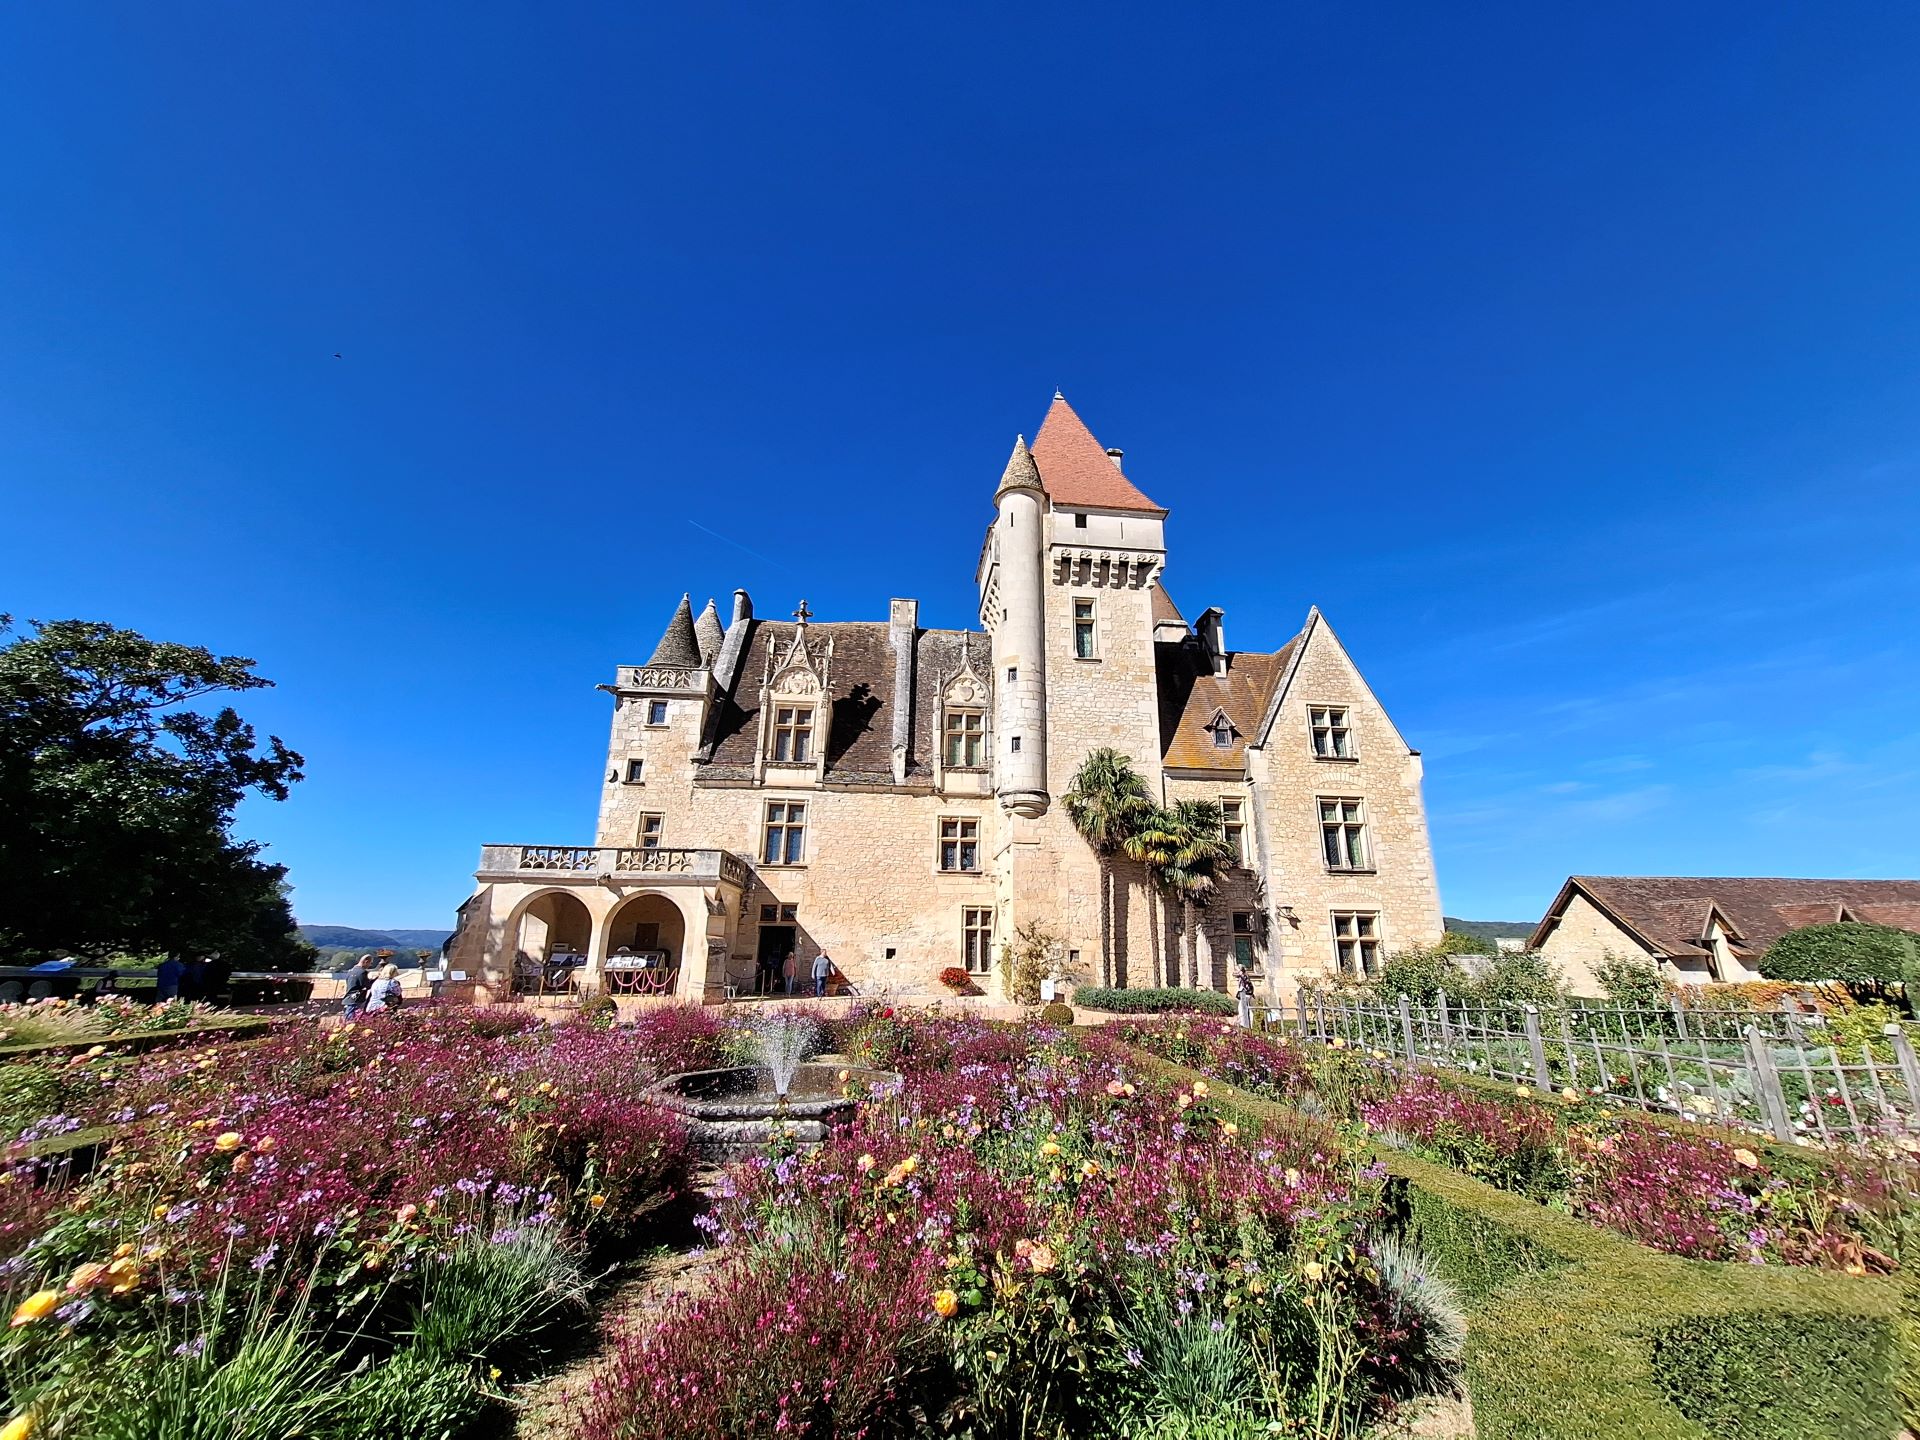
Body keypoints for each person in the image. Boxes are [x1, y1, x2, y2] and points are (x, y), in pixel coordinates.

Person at [342, 954, 376, 1020]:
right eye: (370, 963)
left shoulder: (351, 971)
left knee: (347, 1018)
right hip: (357, 998)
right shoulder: (362, 972)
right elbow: (366, 985)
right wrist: (374, 980)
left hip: (349, 997)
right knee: (353, 1020)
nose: (370, 965)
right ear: (366, 961)